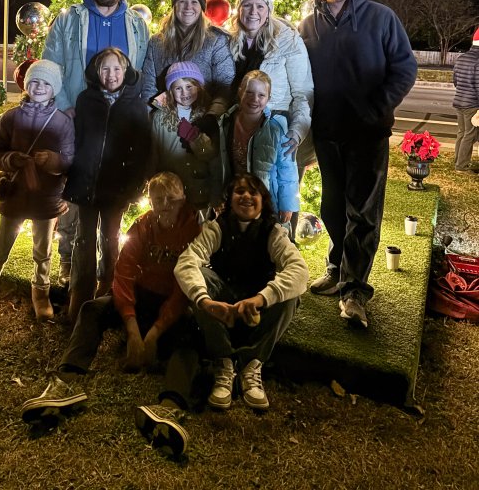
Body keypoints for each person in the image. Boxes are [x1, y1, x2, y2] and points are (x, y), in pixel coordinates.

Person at [21, 172, 201, 459]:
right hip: (141, 299)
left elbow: (184, 290)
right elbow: (124, 273)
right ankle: (65, 382)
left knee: (193, 335)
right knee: (92, 309)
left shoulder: (194, 232)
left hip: (170, 306)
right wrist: (131, 326)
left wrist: (154, 332)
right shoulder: (144, 225)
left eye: (171, 199)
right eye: (157, 200)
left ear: (182, 199)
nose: (164, 205)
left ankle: (170, 408)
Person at [299, 0, 417, 329]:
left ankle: (354, 290)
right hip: (327, 132)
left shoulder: (381, 17)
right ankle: (337, 266)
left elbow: (405, 68)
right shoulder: (308, 24)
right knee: (333, 206)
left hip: (367, 133)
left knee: (363, 211)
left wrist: (377, 107)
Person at [42, 0, 150, 280]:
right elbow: (52, 62)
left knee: (109, 197)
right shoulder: (69, 20)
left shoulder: (136, 25)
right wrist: (64, 106)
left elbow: (139, 73)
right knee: (73, 191)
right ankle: (68, 259)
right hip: (78, 119)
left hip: (117, 126)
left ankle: (109, 275)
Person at [174, 173, 308, 412]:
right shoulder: (217, 227)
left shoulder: (273, 232)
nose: (246, 196)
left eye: (253, 192)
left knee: (291, 296)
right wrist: (205, 302)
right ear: (230, 198)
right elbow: (187, 261)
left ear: (262, 200)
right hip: (224, 308)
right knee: (199, 280)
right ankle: (224, 362)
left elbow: (299, 271)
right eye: (239, 191)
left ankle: (251, 364)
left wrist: (261, 298)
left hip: (256, 310)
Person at [0, 60, 74, 325]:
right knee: (1, 247)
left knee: (43, 250)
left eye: (46, 83)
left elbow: (69, 160)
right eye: (34, 82)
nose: (39, 87)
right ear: (26, 85)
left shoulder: (63, 122)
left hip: (46, 198)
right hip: (16, 194)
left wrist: (52, 160)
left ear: (55, 89)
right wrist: (11, 159)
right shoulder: (11, 118)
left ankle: (41, 293)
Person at [64, 47, 151, 321]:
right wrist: (71, 174)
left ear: (125, 71)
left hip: (116, 188)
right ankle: (79, 298)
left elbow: (141, 150)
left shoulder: (134, 104)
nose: (111, 74)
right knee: (83, 239)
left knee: (111, 239)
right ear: (96, 72)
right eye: (105, 69)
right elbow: (76, 140)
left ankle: (107, 293)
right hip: (86, 183)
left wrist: (135, 185)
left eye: (117, 69)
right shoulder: (86, 100)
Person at [229, 0, 313, 155]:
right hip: (236, 127)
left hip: (274, 127)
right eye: (247, 5)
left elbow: (302, 93)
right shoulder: (228, 40)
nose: (253, 12)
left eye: (260, 6)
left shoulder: (288, 41)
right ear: (239, 10)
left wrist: (297, 131)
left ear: (268, 11)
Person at [215, 71, 300, 229]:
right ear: (240, 91)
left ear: (268, 97)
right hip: (236, 198)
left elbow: (287, 169)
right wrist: (218, 197)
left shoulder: (276, 128)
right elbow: (219, 164)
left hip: (267, 200)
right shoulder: (226, 123)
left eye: (261, 95)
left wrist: (287, 204)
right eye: (249, 92)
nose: (255, 99)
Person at [141, 0, 235, 113]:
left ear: (201, 7)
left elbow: (225, 84)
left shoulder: (216, 40)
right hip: (166, 120)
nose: (188, 7)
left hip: (204, 118)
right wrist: (154, 118)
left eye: (194, 2)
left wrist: (212, 116)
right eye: (182, 1)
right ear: (174, 6)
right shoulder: (156, 42)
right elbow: (148, 86)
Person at [151, 61, 218, 211]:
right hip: (169, 189)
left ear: (198, 87)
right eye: (178, 88)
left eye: (189, 87)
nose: (184, 93)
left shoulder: (206, 116)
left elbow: (210, 154)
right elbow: (153, 152)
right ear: (170, 91)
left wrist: (195, 138)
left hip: (198, 186)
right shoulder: (159, 117)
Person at [452, 26, 479, 173]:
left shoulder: (462, 58)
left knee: (461, 132)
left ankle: (458, 160)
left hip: (459, 101)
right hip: (472, 104)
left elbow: (455, 81)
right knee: (470, 134)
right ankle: (461, 166)